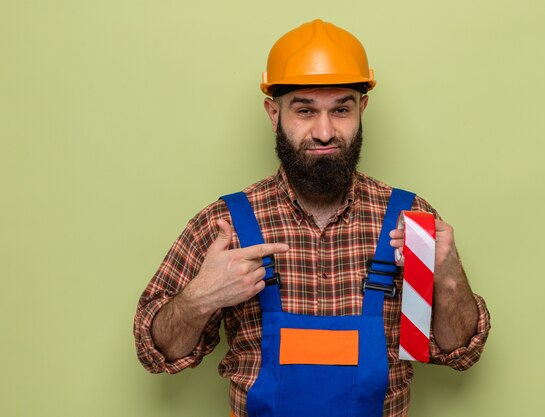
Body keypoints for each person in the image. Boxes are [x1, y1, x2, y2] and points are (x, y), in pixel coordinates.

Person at [134, 19, 490, 417]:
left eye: (341, 109)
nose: (324, 131)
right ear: (273, 113)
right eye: (305, 110)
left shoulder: (410, 221)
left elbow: (459, 352)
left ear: (362, 109)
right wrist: (201, 298)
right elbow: (155, 352)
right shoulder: (225, 224)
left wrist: (450, 274)